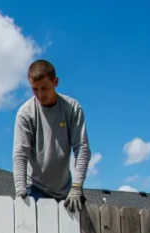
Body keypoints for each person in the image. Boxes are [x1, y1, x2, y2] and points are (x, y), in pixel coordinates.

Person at [12, 59, 92, 212]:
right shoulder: (26, 113)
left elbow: (82, 148)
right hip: (34, 187)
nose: (40, 95)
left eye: (45, 88)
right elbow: (20, 154)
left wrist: (76, 187)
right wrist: (20, 191)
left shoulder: (72, 108)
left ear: (56, 82)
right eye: (35, 89)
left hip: (66, 190)